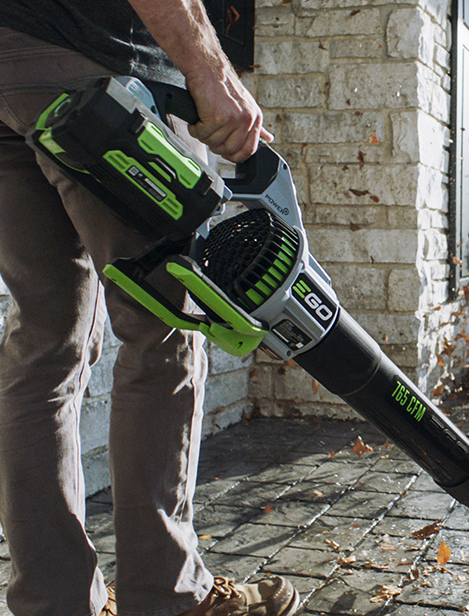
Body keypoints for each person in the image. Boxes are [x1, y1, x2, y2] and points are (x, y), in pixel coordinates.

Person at [0, 1, 298, 615]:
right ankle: (167, 596)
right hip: (98, 73)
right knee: (165, 328)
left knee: (44, 346)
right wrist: (208, 68)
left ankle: (53, 602)